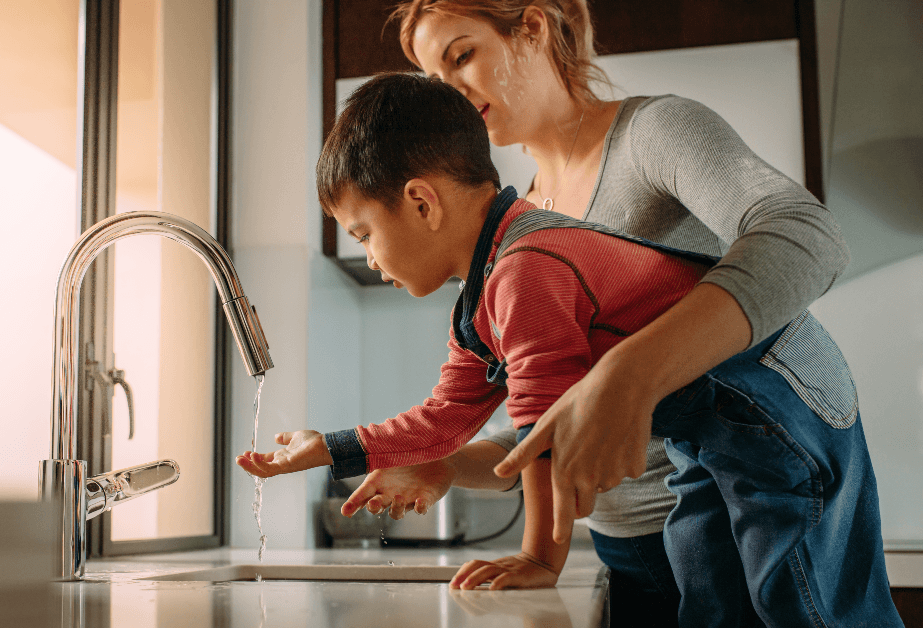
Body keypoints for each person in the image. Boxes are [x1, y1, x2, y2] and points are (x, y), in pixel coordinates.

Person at [236, 72, 901, 628]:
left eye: (363, 231)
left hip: (776, 408)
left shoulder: (526, 268)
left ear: (420, 202)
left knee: (804, 604)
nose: (369, 257)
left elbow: (543, 434)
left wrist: (539, 558)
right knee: (711, 597)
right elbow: (446, 417)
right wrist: (330, 447)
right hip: (708, 433)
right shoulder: (486, 288)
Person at [346, 0, 861, 623]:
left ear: (532, 28)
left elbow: (808, 235)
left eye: (462, 56)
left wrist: (631, 372)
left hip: (737, 514)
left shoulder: (655, 134)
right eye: (436, 80)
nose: (451, 93)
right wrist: (448, 464)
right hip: (629, 552)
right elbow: (562, 418)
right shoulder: (516, 219)